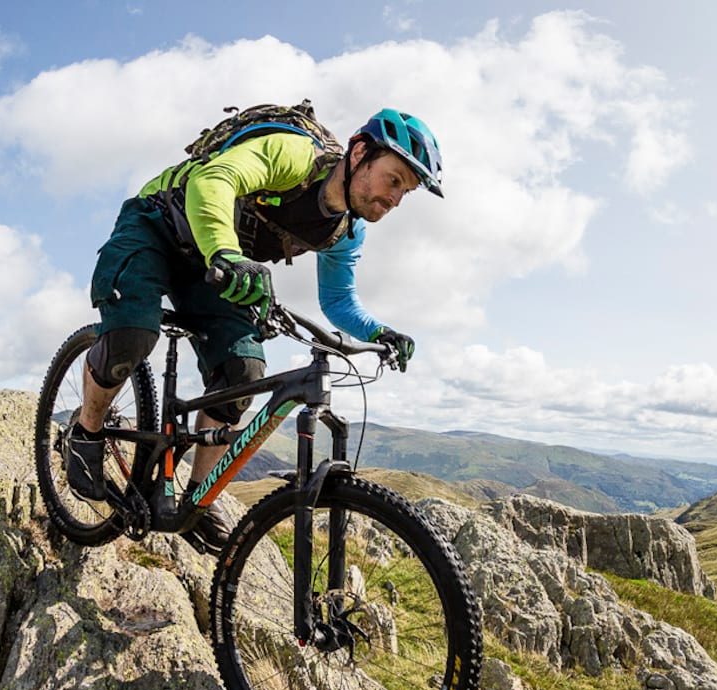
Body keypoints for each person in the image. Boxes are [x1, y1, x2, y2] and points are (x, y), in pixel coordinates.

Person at [66, 105, 443, 552]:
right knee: (131, 335)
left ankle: (197, 501)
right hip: (158, 225)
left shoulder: (344, 231)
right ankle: (85, 433)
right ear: (360, 153)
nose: (395, 198)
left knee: (243, 372)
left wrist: (379, 333)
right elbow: (213, 180)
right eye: (393, 179)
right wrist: (226, 253)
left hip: (213, 264)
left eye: (406, 191)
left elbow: (338, 301)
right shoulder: (294, 156)